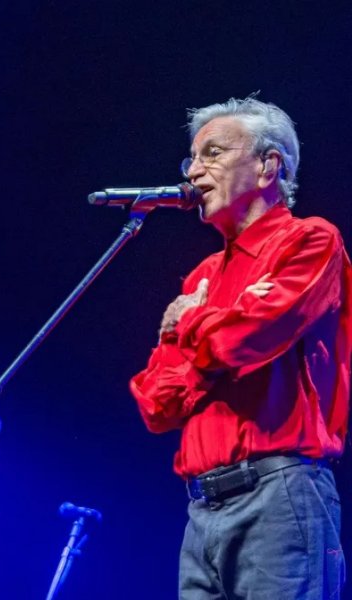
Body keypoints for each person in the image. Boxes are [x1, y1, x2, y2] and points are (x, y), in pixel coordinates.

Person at [129, 96, 351, 599]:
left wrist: (194, 330)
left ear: (269, 165)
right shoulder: (205, 276)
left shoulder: (310, 241)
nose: (194, 172)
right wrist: (191, 337)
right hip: (201, 509)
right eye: (191, 159)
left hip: (279, 494)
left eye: (213, 153)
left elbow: (247, 336)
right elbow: (157, 404)